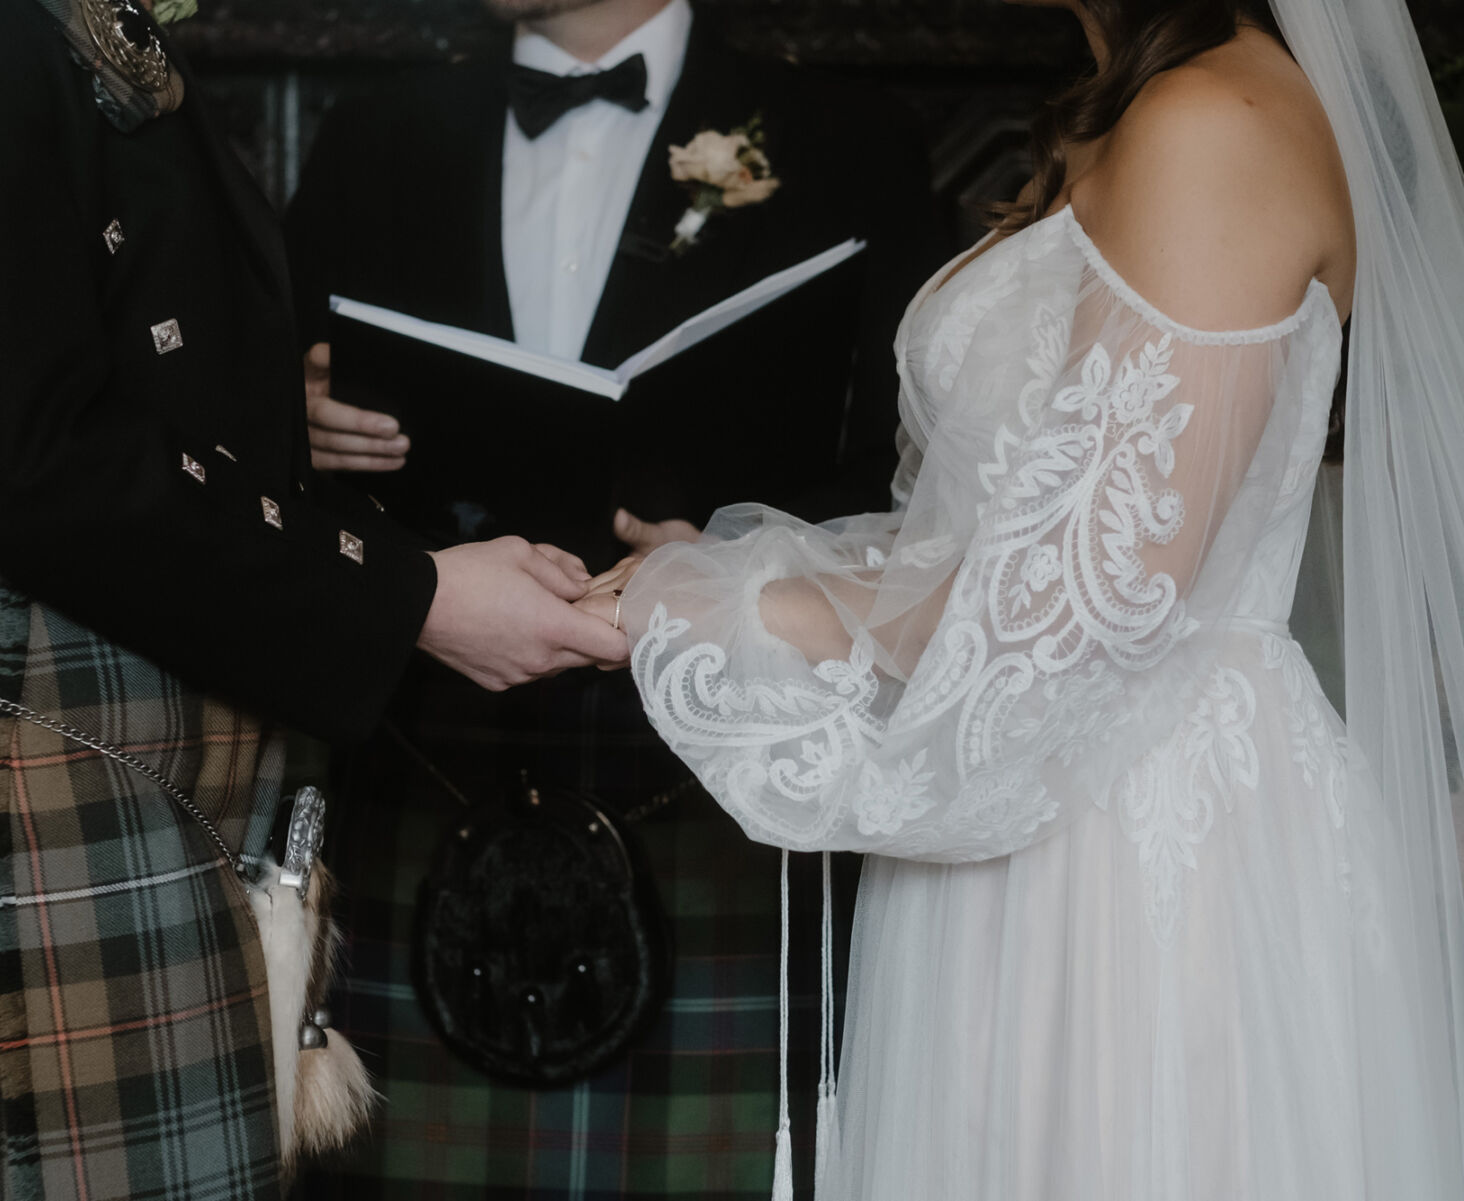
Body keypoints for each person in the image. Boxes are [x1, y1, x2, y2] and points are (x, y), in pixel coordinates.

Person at [0, 0, 628, 1197]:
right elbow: (33, 462)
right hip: (38, 775)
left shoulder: (60, 24)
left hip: (133, 766)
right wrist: (413, 594)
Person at [582, 0, 1464, 1194]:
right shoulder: (1130, 100)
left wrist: (733, 612)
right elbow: (1000, 533)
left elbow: (1094, 593)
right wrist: (749, 572)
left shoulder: (1214, 121)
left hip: (1135, 847)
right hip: (1028, 809)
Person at [283, 0, 946, 1194]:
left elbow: (923, 473)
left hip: (717, 765)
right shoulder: (370, 135)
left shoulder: (851, 138)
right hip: (427, 752)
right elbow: (250, 443)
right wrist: (299, 417)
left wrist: (743, 558)